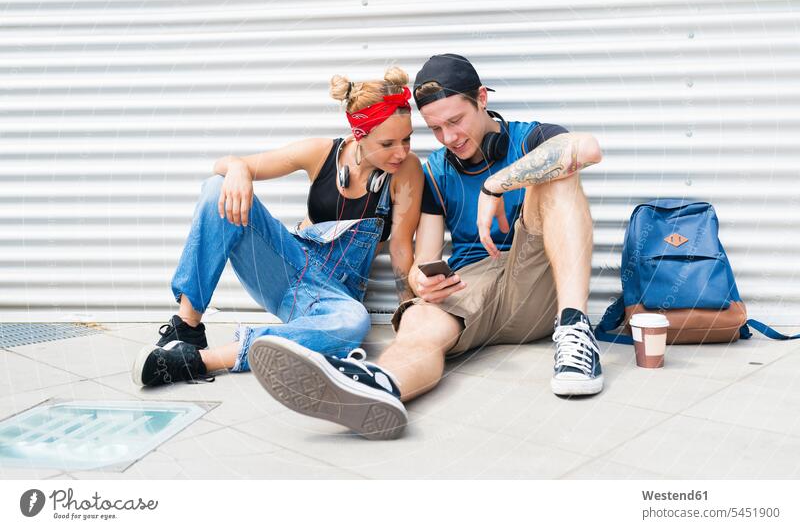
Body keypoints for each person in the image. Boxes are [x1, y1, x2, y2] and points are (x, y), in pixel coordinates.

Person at [247, 54, 604, 440]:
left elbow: (586, 148)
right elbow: (426, 259)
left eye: (456, 121)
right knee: (417, 324)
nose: (449, 137)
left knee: (557, 174)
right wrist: (422, 280)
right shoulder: (436, 170)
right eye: (435, 128)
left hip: (536, 285)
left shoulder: (530, 136)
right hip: (472, 287)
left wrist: (496, 184)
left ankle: (575, 331)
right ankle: (377, 386)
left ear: (481, 98)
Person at [131, 67, 423, 388]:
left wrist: (409, 315)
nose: (402, 151)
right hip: (289, 265)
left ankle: (194, 361)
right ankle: (186, 329)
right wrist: (239, 169)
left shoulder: (407, 170)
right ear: (359, 134)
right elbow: (222, 165)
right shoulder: (321, 153)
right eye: (388, 143)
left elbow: (400, 248)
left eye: (407, 139)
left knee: (354, 324)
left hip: (335, 296)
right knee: (218, 187)